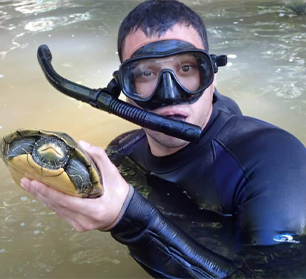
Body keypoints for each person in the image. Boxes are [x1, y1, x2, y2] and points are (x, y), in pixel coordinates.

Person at [21, 0, 306, 278]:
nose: (169, 95)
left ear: (211, 77)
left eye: (187, 69)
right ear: (124, 89)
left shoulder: (274, 160)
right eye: (145, 73)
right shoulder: (122, 155)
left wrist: (128, 220)